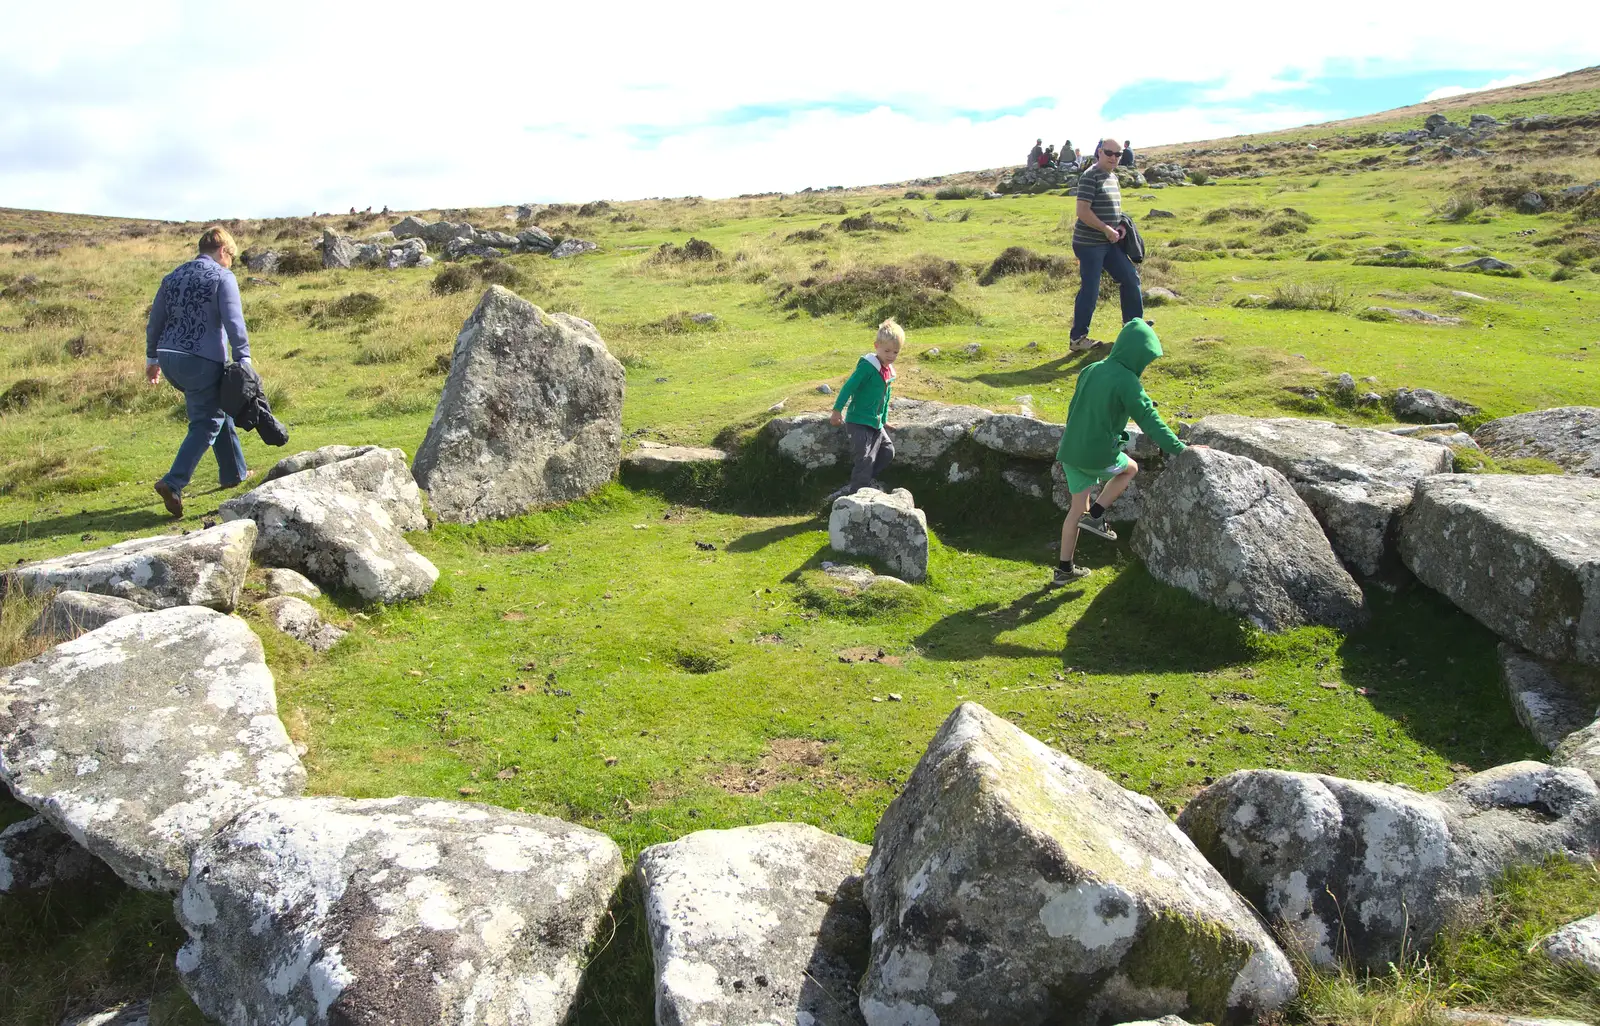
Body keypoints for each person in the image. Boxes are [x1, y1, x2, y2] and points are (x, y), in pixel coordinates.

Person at [1050, 318, 1197, 586]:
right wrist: (1182, 449)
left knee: (1075, 511)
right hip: (1096, 453)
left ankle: (1064, 569)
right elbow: (1151, 422)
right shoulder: (1128, 382)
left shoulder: (1092, 368)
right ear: (1138, 354)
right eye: (1146, 358)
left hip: (1070, 450)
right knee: (1130, 468)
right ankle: (1096, 515)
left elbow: (1078, 407)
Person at [145, 226, 253, 517]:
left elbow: (155, 320)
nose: (230, 262)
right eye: (231, 256)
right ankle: (173, 482)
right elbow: (234, 322)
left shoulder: (173, 277)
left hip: (170, 359)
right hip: (201, 359)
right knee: (207, 421)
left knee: (218, 406)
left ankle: (234, 473)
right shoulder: (222, 276)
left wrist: (151, 358)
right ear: (222, 251)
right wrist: (244, 359)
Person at [1069, 138, 1143, 352]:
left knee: (1130, 278)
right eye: (1109, 153)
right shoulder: (1090, 176)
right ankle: (1078, 338)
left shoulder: (1113, 177)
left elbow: (1115, 209)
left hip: (1109, 241)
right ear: (1099, 152)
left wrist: (1119, 226)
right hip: (1089, 243)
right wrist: (1105, 229)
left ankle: (1133, 328)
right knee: (1090, 289)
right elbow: (1082, 212)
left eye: (1117, 155)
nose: (1113, 157)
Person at [825, 318, 903, 504]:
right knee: (865, 458)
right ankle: (854, 501)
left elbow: (885, 398)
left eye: (895, 352)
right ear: (876, 346)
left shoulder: (888, 371)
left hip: (875, 422)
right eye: (887, 351)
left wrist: (883, 420)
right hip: (858, 421)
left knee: (887, 451)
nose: (891, 355)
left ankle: (863, 482)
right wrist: (837, 411)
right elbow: (848, 388)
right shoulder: (868, 367)